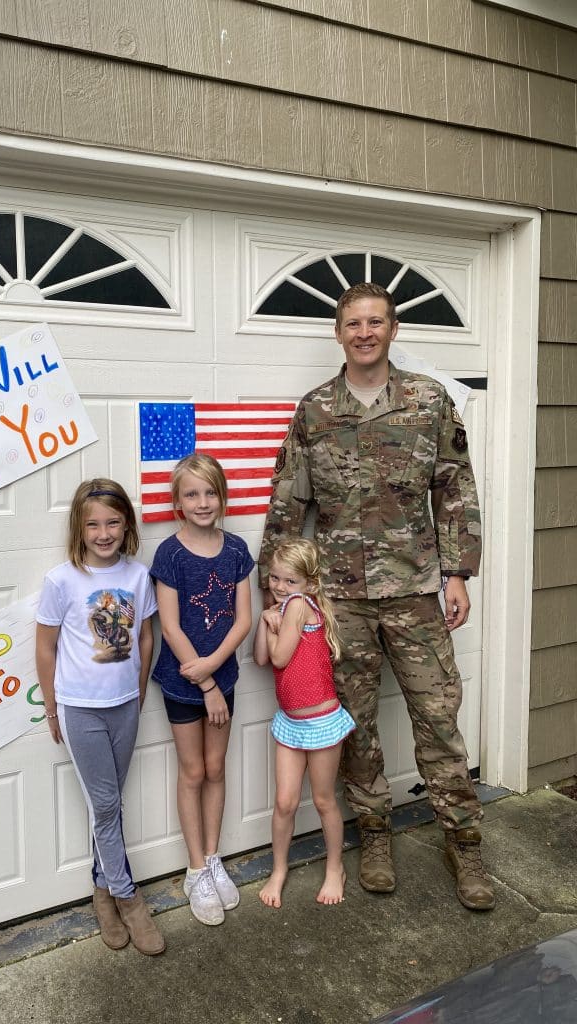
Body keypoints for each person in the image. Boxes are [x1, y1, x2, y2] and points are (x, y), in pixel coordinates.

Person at [258, 282, 495, 911]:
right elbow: (288, 505)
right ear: (340, 333)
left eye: (375, 322)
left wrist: (457, 574)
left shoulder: (428, 402)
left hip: (417, 591)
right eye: (352, 323)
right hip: (340, 605)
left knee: (438, 723)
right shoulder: (314, 412)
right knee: (355, 728)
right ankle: (375, 838)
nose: (364, 333)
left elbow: (455, 491)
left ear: (393, 330)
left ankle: (465, 847)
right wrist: (275, 596)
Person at [36, 478, 165, 955]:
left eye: (113, 522)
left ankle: (101, 890)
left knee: (107, 805)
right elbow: (45, 648)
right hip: (80, 708)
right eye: (93, 523)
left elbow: (146, 636)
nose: (104, 532)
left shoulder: (136, 575)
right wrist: (52, 706)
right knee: (107, 805)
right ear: (79, 527)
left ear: (126, 524)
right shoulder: (62, 580)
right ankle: (129, 899)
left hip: (124, 707)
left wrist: (138, 687)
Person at [150, 454, 253, 926]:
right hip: (183, 684)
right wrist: (206, 681)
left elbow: (243, 618)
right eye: (191, 493)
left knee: (217, 768)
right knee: (193, 771)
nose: (202, 501)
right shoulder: (169, 555)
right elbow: (169, 627)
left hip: (221, 678)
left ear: (222, 496)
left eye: (210, 492)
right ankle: (194, 869)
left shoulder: (235, 550)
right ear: (177, 502)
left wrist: (216, 667)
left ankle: (214, 858)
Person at [253, 539, 355, 909]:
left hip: (322, 721)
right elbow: (261, 657)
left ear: (310, 584)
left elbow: (280, 658)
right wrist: (266, 619)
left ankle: (334, 868)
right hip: (290, 723)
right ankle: (278, 870)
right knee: (284, 803)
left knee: (326, 800)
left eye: (290, 580)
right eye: (275, 578)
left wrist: (272, 620)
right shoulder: (280, 608)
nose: (280, 586)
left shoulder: (297, 606)